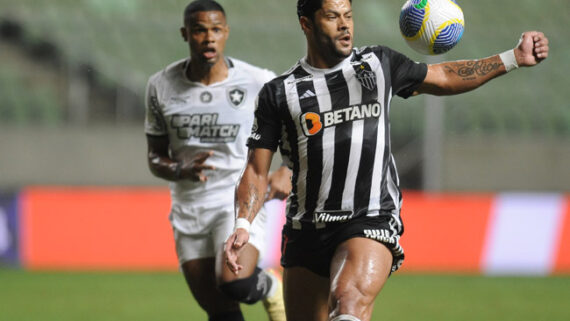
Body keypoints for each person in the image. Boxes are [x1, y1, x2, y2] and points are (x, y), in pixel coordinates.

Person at [224, 0, 550, 320]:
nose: (344, 24)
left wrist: (512, 58)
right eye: (332, 16)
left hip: (369, 218)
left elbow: (445, 75)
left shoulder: (377, 64)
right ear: (306, 24)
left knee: (349, 303)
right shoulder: (279, 92)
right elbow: (256, 170)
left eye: (348, 15)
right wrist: (243, 224)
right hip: (306, 227)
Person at [144, 1, 291, 320]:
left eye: (215, 30)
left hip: (238, 200)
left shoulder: (258, 81)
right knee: (219, 310)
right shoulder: (161, 86)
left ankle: (270, 287)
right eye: (199, 30)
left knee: (234, 284)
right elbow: (155, 156)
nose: (208, 38)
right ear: (186, 34)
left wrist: (287, 168)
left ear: (226, 33)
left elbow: (299, 129)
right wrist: (180, 168)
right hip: (189, 207)